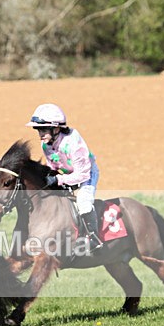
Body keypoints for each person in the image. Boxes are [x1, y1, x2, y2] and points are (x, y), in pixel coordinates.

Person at [26, 103, 103, 254]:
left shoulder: (74, 143)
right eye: (38, 130)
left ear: (56, 128)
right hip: (67, 173)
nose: (40, 134)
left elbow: (82, 174)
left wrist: (59, 180)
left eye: (43, 129)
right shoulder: (45, 144)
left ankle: (93, 238)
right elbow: (53, 166)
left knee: (83, 203)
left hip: (87, 174)